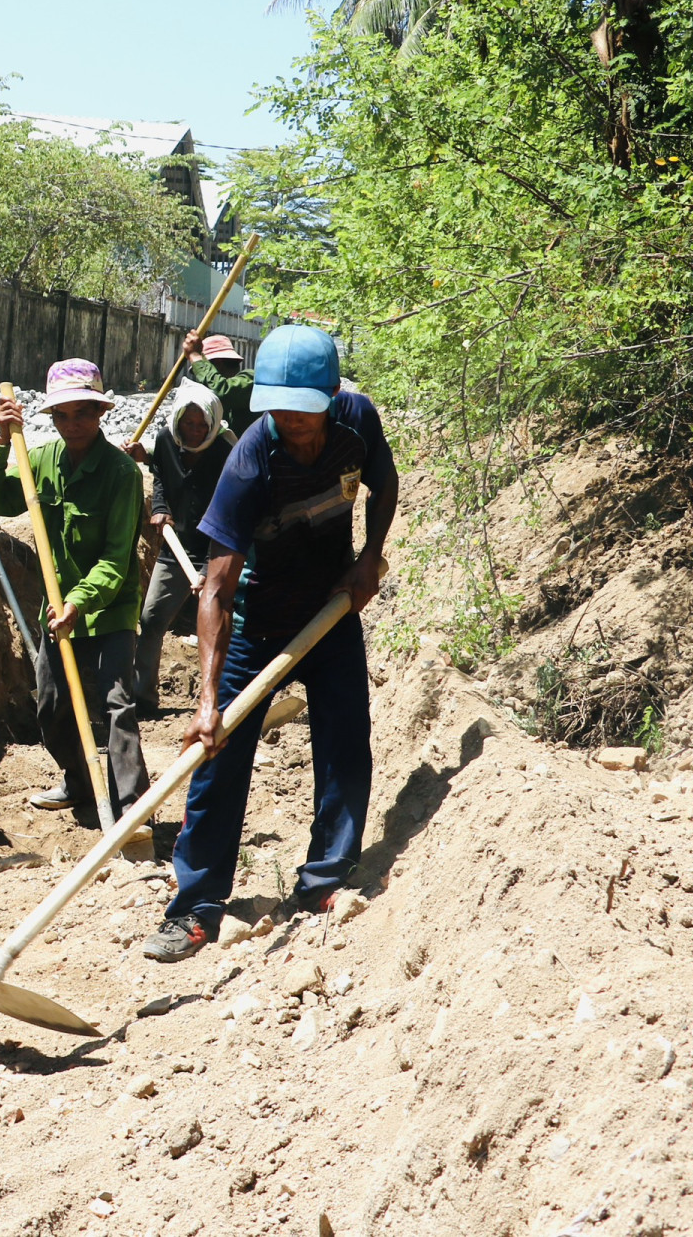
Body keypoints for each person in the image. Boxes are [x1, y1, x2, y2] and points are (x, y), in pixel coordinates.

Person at [143, 325, 399, 963]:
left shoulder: (356, 420)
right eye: (279, 412)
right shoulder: (250, 458)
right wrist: (206, 700)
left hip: (331, 611)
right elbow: (215, 590)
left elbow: (384, 486)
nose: (293, 425)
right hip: (256, 621)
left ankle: (323, 883)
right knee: (218, 758)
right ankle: (196, 909)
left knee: (344, 747)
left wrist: (370, 558)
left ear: (332, 396)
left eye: (304, 413)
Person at [0, 359, 149, 824]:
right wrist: (2, 442)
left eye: (83, 414)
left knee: (117, 705)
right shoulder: (41, 462)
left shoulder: (121, 475)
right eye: (62, 416)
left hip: (108, 606)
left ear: (100, 413)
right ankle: (79, 780)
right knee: (52, 705)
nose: (73, 425)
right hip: (57, 608)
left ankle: (132, 808)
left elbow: (115, 561)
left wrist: (80, 602)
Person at [126, 379, 232, 716]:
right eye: (189, 423)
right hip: (176, 547)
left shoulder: (226, 451)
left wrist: (214, 569)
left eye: (203, 425)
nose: (196, 431)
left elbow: (235, 505)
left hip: (216, 549)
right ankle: (143, 697)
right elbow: (160, 474)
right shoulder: (165, 441)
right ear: (178, 422)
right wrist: (160, 507)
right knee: (151, 617)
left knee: (216, 624)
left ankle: (223, 700)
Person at [177, 330, 256, 437]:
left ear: (218, 363)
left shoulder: (250, 380)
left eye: (203, 370)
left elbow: (222, 391)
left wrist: (195, 356)